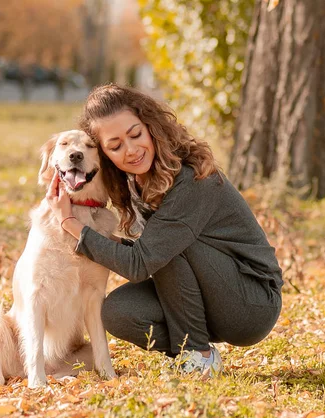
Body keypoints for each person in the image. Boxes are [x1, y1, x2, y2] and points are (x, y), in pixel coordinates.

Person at [46, 83, 283, 377]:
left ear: (151, 128)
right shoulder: (135, 182)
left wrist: (71, 224)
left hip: (251, 302)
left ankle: (199, 356)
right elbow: (149, 256)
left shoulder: (190, 179)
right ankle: (191, 348)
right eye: (116, 146)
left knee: (164, 248)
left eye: (135, 135)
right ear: (104, 155)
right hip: (205, 294)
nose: (131, 150)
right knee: (119, 312)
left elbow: (142, 262)